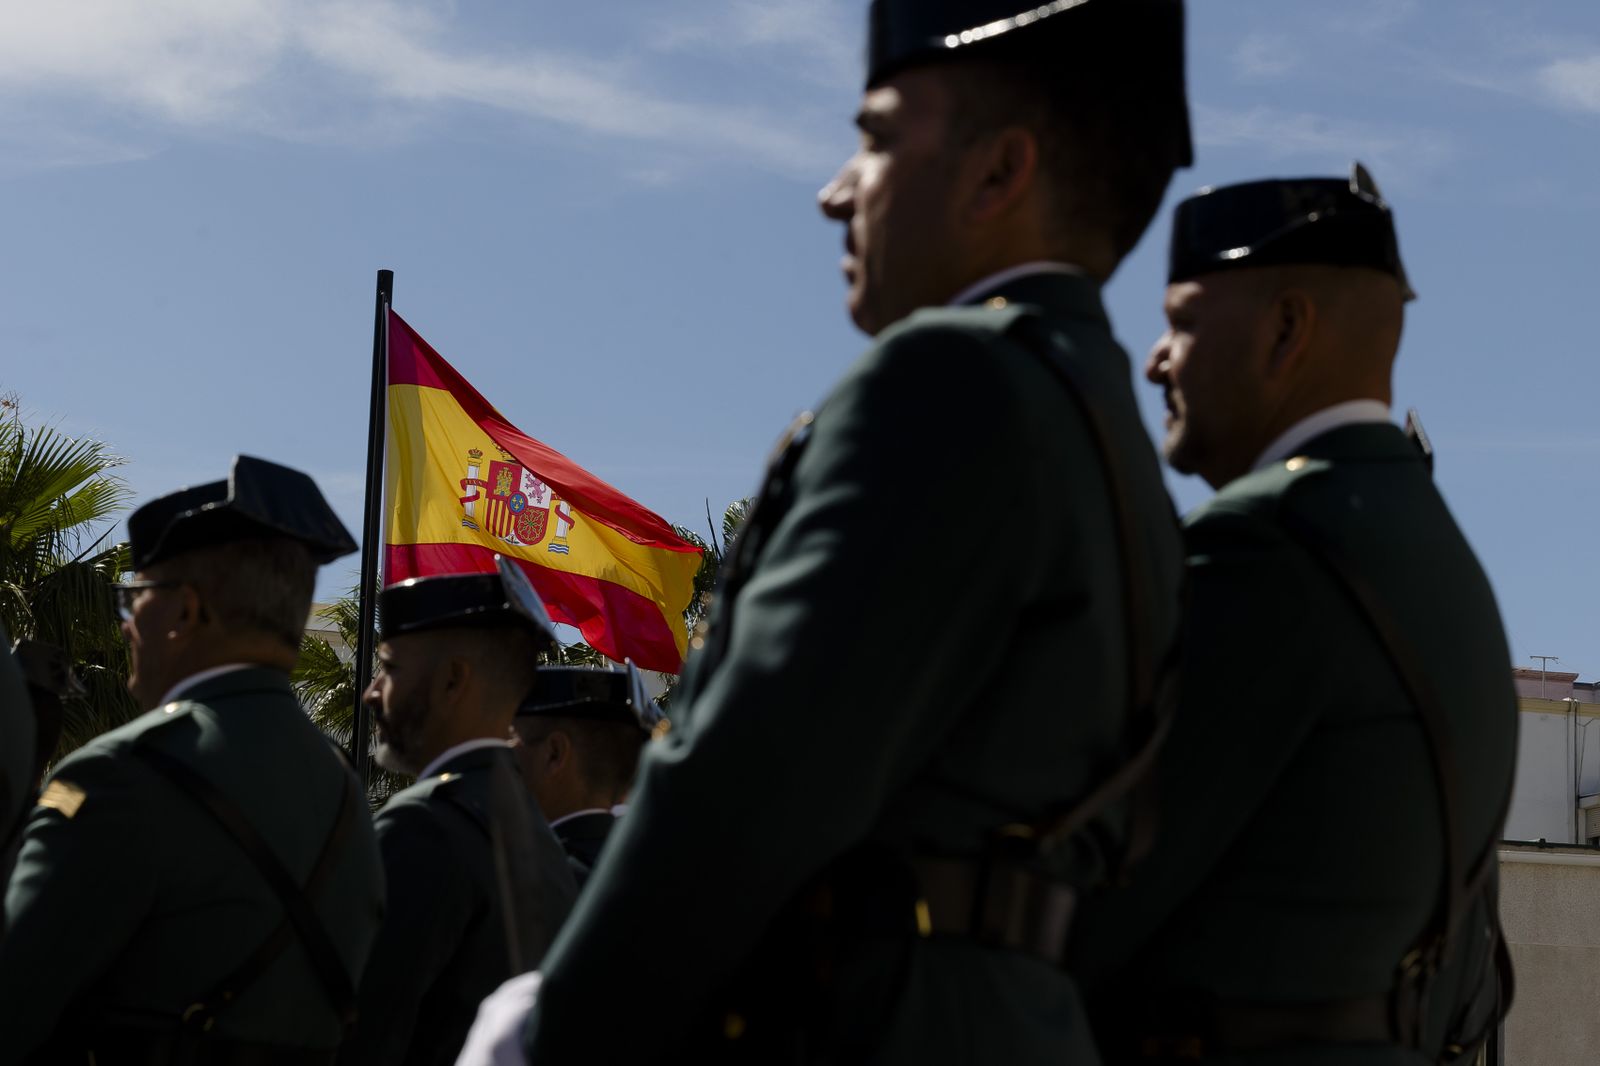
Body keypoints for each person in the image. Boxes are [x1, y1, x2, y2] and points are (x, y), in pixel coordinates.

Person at [457, 2, 1194, 1062]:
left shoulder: (948, 382)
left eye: (879, 138)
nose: (834, 189)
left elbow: (743, 781)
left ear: (999, 174)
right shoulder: (1107, 434)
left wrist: (560, 1026)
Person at [1066, 165, 1518, 1063]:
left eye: (1183, 322)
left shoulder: (1265, 547)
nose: (1154, 358)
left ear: (1285, 330)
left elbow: (1091, 899)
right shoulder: (1437, 551)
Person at [0, 455, 385, 1062]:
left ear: (184, 611)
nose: (127, 625)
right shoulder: (345, 791)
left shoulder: (120, 776)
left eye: (136, 598)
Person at [339, 567, 578, 1066]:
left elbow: (362, 1036)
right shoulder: (540, 835)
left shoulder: (425, 827)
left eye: (391, 669)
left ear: (452, 680)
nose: (371, 691)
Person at [509, 663, 662, 884]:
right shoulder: (656, 874)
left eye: (511, 739)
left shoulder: (525, 882)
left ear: (554, 753)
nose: (503, 755)